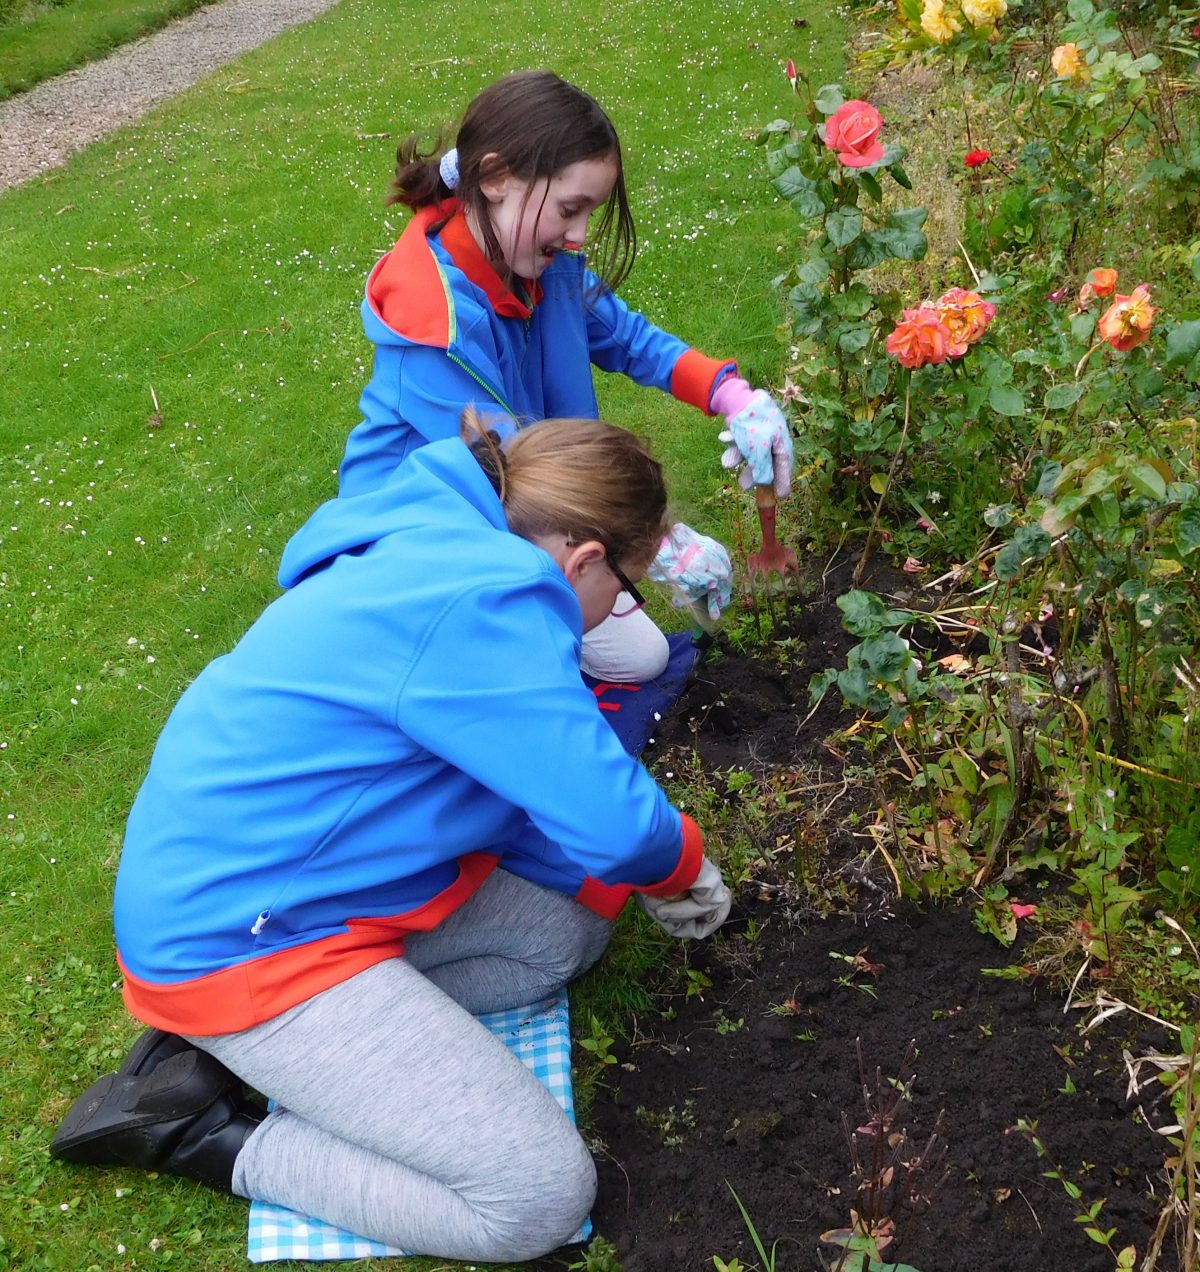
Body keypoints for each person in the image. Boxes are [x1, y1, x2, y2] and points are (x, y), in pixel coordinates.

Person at [50, 414, 733, 1264]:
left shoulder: (442, 538)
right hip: (239, 941)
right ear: (585, 560)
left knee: (566, 929)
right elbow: (615, 824)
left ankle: (306, 1059)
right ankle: (203, 1132)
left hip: (296, 883)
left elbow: (546, 793)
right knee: (536, 1200)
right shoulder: (486, 606)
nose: (621, 610)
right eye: (626, 587)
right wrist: (684, 868)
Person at [333, 68, 794, 682]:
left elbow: (628, 340)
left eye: (589, 212)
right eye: (570, 209)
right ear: (495, 178)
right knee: (516, 678)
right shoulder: (432, 319)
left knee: (643, 656)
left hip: (534, 505)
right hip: (429, 542)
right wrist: (652, 542)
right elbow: (503, 465)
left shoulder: (540, 260)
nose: (578, 235)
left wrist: (733, 396)